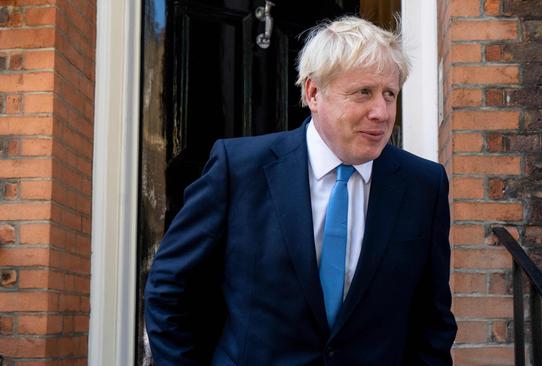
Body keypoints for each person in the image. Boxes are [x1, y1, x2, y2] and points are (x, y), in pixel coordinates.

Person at [144, 16, 457, 365]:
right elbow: (169, 288)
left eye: (390, 94)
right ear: (313, 92)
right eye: (363, 93)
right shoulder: (240, 169)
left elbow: (433, 322)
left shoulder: (423, 185)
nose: (381, 113)